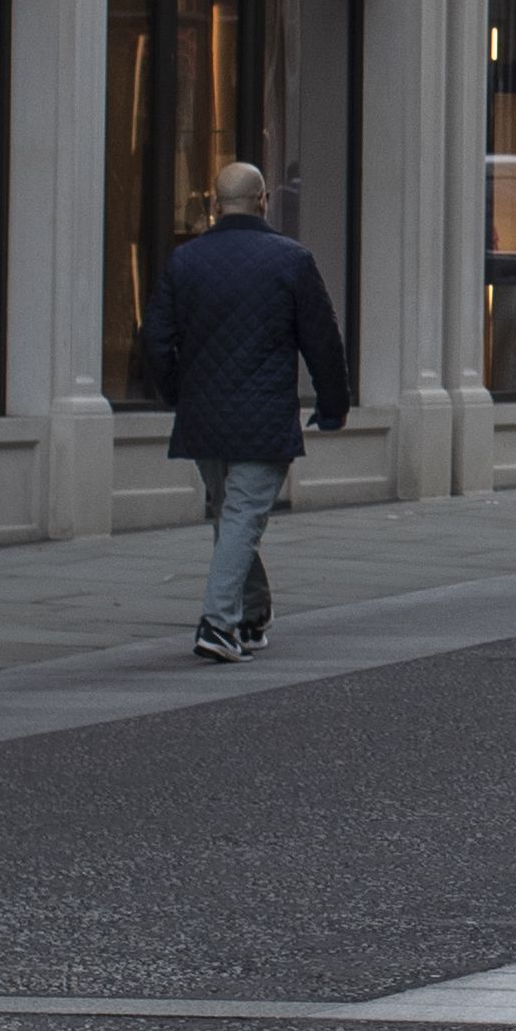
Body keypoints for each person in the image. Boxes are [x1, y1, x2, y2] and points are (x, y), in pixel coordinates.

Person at [135, 160, 352, 663]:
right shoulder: (292, 260)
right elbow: (322, 341)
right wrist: (333, 404)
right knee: (240, 518)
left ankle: (251, 615)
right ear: (263, 202)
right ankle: (218, 624)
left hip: (204, 415)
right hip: (263, 414)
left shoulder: (184, 261)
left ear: (214, 204)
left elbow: (155, 338)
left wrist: (176, 392)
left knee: (231, 516)